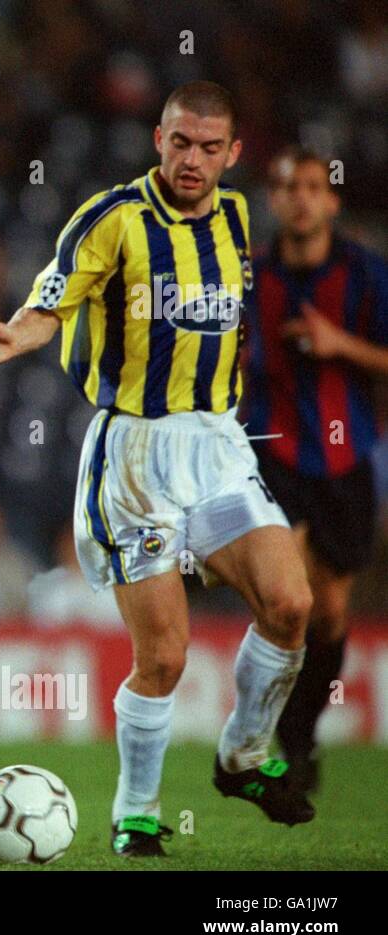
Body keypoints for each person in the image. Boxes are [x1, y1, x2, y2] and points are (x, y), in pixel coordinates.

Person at [0, 81, 315, 857]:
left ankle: (241, 753)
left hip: (218, 447)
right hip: (134, 456)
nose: (192, 160)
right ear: (157, 141)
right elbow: (52, 300)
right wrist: (9, 340)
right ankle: (136, 810)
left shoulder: (235, 215)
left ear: (232, 155)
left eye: (208, 148)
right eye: (179, 143)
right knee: (163, 653)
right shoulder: (112, 220)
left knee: (290, 602)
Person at [246, 146, 388, 796]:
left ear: (330, 199)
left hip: (344, 459)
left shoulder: (365, 273)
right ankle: (255, 744)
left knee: (330, 613)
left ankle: (297, 735)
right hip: (269, 454)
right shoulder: (248, 275)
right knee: (288, 599)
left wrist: (340, 345)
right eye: (286, 186)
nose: (299, 197)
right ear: (273, 200)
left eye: (311, 186)